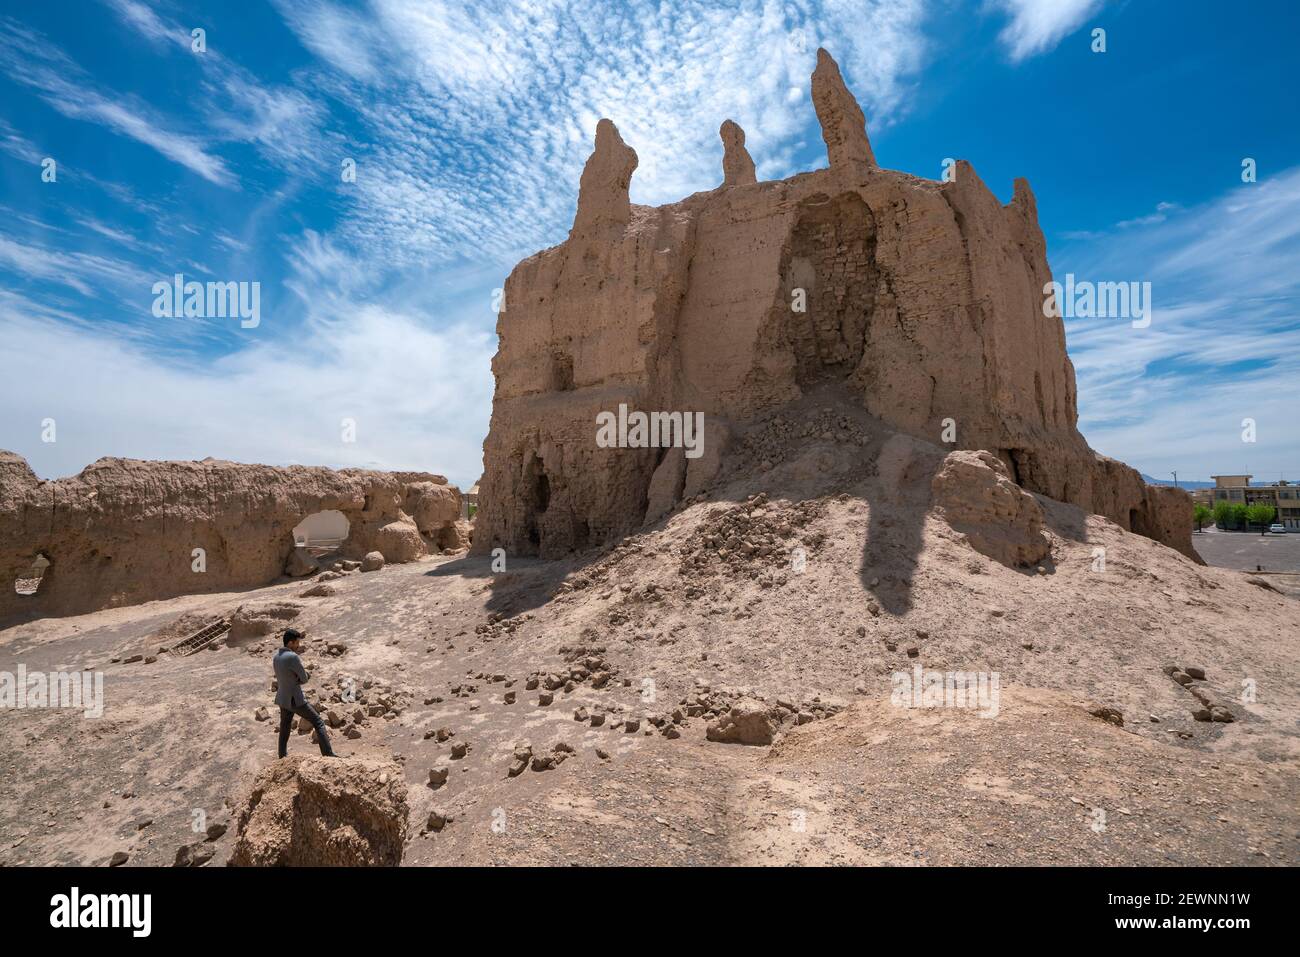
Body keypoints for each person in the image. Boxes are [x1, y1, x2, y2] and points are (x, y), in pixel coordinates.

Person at [274, 628, 335, 758]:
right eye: (297, 643)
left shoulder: (276, 656)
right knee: (318, 722)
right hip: (295, 699)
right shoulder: (293, 657)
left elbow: (283, 677)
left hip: (283, 698)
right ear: (290, 643)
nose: (298, 645)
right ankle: (328, 755)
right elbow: (305, 678)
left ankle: (282, 756)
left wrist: (295, 678)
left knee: (284, 727)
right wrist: (303, 675)